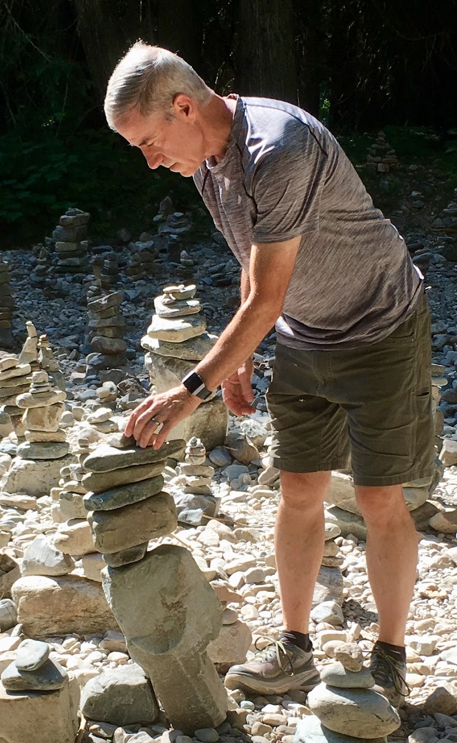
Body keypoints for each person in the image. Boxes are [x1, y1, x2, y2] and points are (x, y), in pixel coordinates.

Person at [103, 42, 432, 705]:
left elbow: (266, 296)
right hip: (305, 333)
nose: (149, 160)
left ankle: (390, 655)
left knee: (377, 497)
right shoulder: (205, 163)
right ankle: (296, 648)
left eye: (147, 141)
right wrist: (242, 351)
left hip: (381, 325)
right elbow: (257, 271)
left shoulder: (280, 149)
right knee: (300, 487)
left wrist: (189, 391)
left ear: (185, 107)